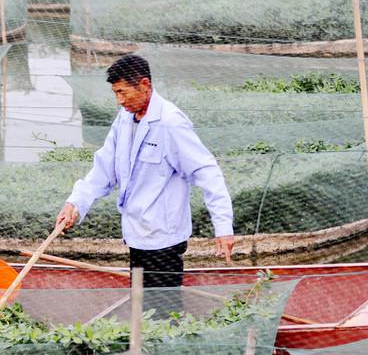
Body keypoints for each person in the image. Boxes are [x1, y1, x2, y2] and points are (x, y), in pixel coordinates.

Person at [56, 54, 236, 315]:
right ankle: (146, 350)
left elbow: (207, 172)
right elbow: (104, 167)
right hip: (136, 235)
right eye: (115, 93)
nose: (119, 100)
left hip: (163, 239)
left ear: (144, 85)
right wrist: (75, 203)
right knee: (142, 308)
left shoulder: (170, 123)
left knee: (162, 313)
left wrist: (223, 227)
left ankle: (164, 350)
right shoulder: (124, 119)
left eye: (123, 92)